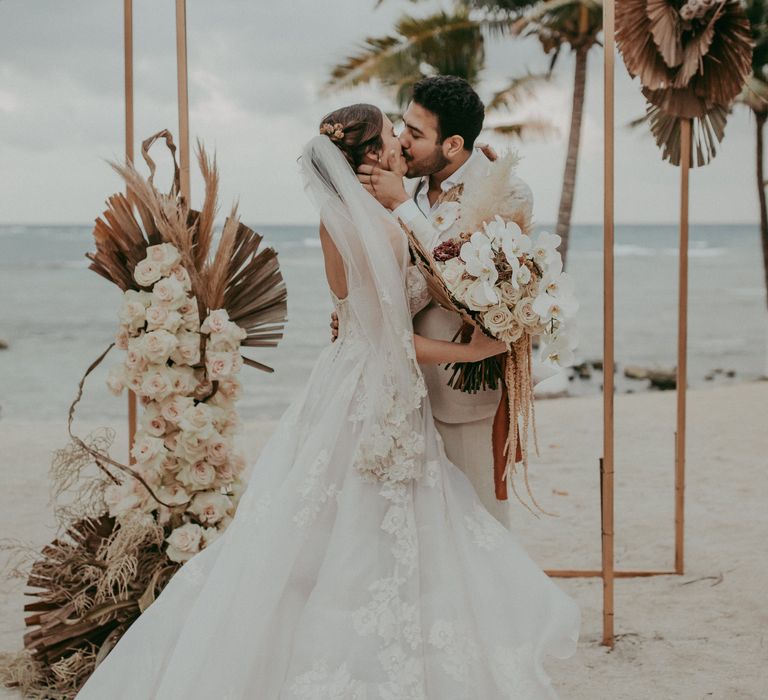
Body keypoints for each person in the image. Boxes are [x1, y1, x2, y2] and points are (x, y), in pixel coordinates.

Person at [74, 102, 580, 700]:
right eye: (395, 135)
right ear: (372, 156)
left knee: (330, 517)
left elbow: (359, 313)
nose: (402, 143)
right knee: (384, 518)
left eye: (409, 133)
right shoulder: (385, 222)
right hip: (381, 386)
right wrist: (474, 352)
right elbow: (389, 335)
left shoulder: (339, 217)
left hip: (350, 379)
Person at [333, 76, 541, 527]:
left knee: (480, 520)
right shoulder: (403, 185)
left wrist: (399, 207)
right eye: (403, 126)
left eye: (415, 133)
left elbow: (468, 285)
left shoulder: (505, 191)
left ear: (452, 144)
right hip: (401, 390)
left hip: (461, 388)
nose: (402, 142)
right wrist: (359, 315)